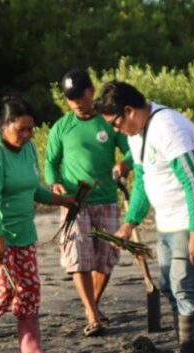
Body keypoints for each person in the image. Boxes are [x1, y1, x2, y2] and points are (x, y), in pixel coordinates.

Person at [94, 81, 194, 353]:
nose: (117, 130)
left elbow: (193, 179)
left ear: (129, 111)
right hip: (169, 219)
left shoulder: (167, 126)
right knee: (169, 285)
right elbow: (142, 179)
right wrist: (129, 223)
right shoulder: (137, 133)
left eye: (116, 123)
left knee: (185, 287)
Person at [0, 96, 75, 353]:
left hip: (24, 231)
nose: (27, 135)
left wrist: (60, 199)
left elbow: (32, 187)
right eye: (21, 130)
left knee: (29, 287)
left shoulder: (28, 148)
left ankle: (30, 347)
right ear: (5, 125)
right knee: (3, 288)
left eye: (31, 129)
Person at [45, 69, 132, 337]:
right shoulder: (62, 127)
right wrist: (54, 183)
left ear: (90, 91)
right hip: (75, 201)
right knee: (78, 256)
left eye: (79, 97)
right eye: (70, 99)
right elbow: (51, 162)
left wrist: (124, 162)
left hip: (106, 197)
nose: (76, 104)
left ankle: (92, 304)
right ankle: (93, 314)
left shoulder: (107, 121)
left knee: (106, 258)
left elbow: (130, 147)